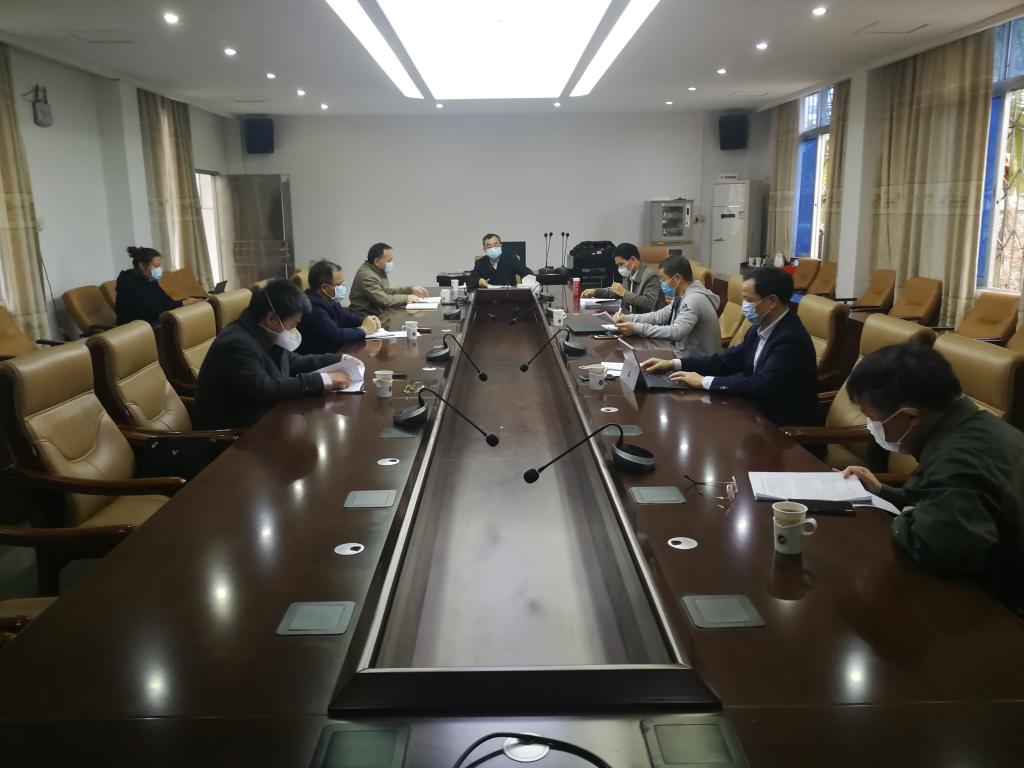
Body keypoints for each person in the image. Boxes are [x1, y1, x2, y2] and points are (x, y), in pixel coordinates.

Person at [840, 344, 1024, 612]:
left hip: (1002, 610)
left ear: (910, 417)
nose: (871, 427)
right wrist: (882, 492)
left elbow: (935, 549)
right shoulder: (972, 426)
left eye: (873, 419)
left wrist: (904, 520)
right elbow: (939, 500)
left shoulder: (958, 461)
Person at [641, 267, 818, 426]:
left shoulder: (791, 339)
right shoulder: (759, 328)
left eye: (749, 299)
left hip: (780, 429)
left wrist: (703, 381)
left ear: (772, 301)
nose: (744, 306)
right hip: (752, 413)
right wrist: (674, 364)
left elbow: (763, 385)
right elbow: (727, 360)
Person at [194, 278, 353, 429]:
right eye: (292, 325)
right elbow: (267, 388)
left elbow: (292, 360)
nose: (293, 330)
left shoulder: (261, 330)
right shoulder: (237, 344)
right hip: (236, 432)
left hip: (266, 416)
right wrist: (324, 380)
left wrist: (338, 358)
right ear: (272, 318)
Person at [613, 254, 719, 357]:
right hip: (681, 354)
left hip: (699, 363)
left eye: (663, 279)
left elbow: (676, 332)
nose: (661, 283)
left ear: (677, 278)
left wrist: (637, 328)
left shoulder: (694, 299)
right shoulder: (682, 296)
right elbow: (659, 316)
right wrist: (628, 318)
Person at [297, 260, 381, 353]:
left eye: (343, 283)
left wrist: (367, 320)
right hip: (318, 357)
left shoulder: (330, 299)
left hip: (333, 352)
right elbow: (335, 335)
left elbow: (346, 318)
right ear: (324, 288)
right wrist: (364, 329)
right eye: (339, 284)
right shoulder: (313, 307)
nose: (343, 287)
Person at [115, 246, 203, 325]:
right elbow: (152, 310)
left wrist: (188, 301)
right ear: (142, 265)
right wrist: (183, 303)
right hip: (137, 328)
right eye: (156, 266)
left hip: (153, 321)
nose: (159, 270)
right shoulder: (127, 282)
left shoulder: (149, 278)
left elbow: (166, 301)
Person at [348, 243, 428, 316]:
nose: (391, 263)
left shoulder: (376, 270)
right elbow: (384, 300)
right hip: (364, 317)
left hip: (376, 314)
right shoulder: (367, 276)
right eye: (389, 260)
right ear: (376, 261)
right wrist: (407, 298)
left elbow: (385, 292)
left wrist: (410, 290)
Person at [581, 243, 662, 314]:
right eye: (618, 265)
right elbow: (616, 292)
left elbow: (649, 302)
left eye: (621, 264)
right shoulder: (630, 273)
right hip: (628, 316)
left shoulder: (651, 275)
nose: (620, 268)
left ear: (632, 259)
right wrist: (596, 291)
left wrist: (624, 292)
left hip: (645, 320)